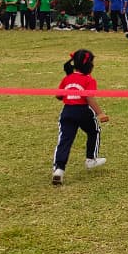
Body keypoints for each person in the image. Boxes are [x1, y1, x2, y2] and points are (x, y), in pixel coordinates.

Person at [51, 49, 109, 185]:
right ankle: (90, 159)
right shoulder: (89, 80)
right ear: (89, 65)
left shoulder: (67, 78)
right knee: (94, 131)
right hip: (83, 112)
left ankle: (59, 169)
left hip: (67, 112)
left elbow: (59, 95)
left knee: (64, 140)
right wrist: (100, 113)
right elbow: (89, 97)